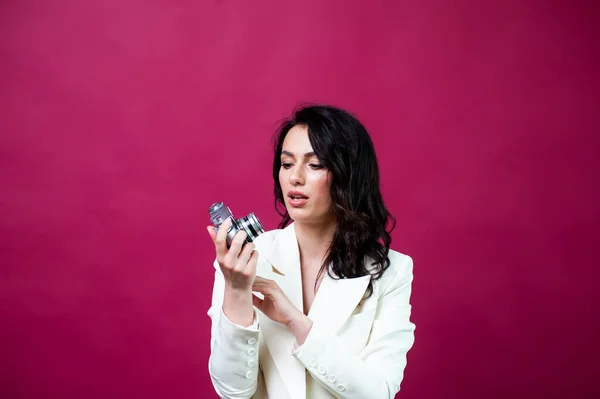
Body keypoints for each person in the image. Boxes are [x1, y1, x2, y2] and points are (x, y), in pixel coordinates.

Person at [206, 105, 415, 399]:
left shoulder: (392, 271)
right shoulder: (244, 261)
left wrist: (297, 322)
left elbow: (378, 393)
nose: (295, 178)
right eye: (287, 164)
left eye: (315, 165)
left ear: (349, 174)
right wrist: (237, 292)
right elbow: (232, 391)